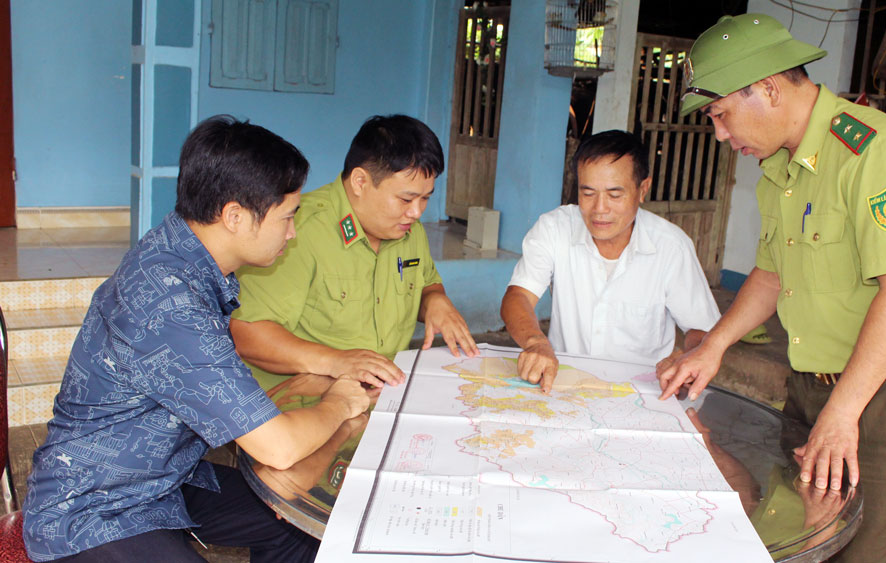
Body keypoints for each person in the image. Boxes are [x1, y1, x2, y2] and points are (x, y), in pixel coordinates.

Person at [658, 14, 886, 562]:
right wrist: (715, 346)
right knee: (796, 543)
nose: (720, 134)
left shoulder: (876, 153)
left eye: (721, 114)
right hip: (812, 387)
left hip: (883, 396)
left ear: (768, 88)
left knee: (856, 552)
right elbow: (771, 276)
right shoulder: (780, 169)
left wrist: (842, 415)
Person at [22, 116, 372, 562]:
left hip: (161, 480)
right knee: (292, 476)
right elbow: (278, 447)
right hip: (94, 509)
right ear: (234, 216)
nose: (292, 232)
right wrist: (338, 403)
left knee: (296, 527)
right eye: (287, 217)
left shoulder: (181, 254)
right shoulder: (168, 301)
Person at [231, 115, 478, 393]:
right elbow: (247, 333)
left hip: (381, 403)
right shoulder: (297, 230)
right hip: (304, 412)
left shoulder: (409, 229)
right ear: (360, 181)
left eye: (426, 198)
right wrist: (335, 362)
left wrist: (435, 300)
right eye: (406, 199)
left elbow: (424, 284)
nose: (416, 212)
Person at [500, 130, 720, 392]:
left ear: (643, 190)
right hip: (564, 389)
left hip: (641, 395)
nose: (599, 209)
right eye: (588, 193)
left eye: (614, 195)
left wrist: (685, 356)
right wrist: (536, 342)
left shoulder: (671, 247)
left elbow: (702, 331)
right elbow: (518, 297)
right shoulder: (554, 229)